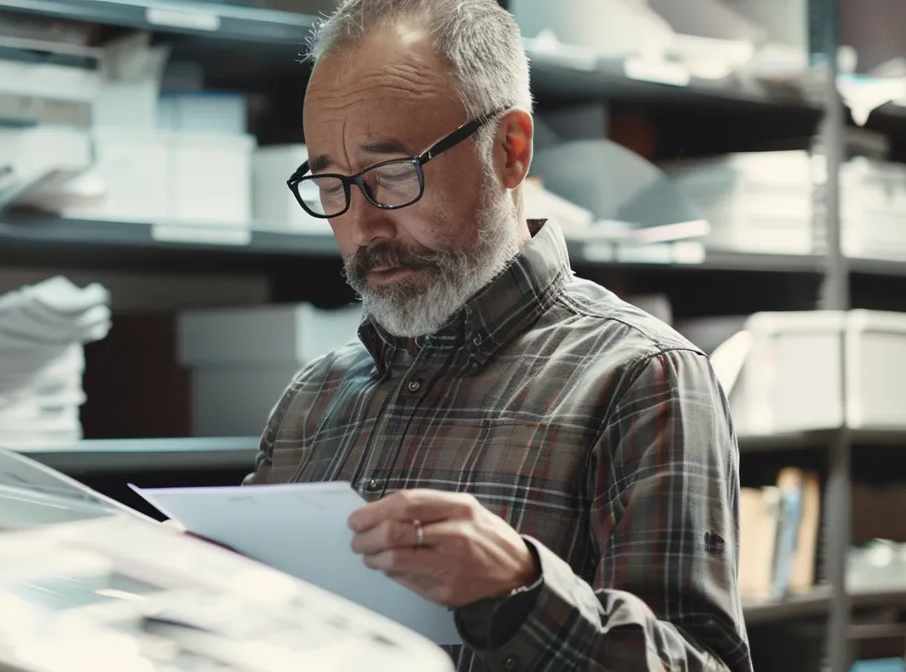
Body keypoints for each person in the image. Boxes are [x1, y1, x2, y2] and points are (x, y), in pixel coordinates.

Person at [243, 0, 752, 670]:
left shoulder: (644, 377)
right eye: (330, 184)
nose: (362, 226)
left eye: (392, 174)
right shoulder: (313, 397)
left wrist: (521, 591)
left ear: (511, 150)